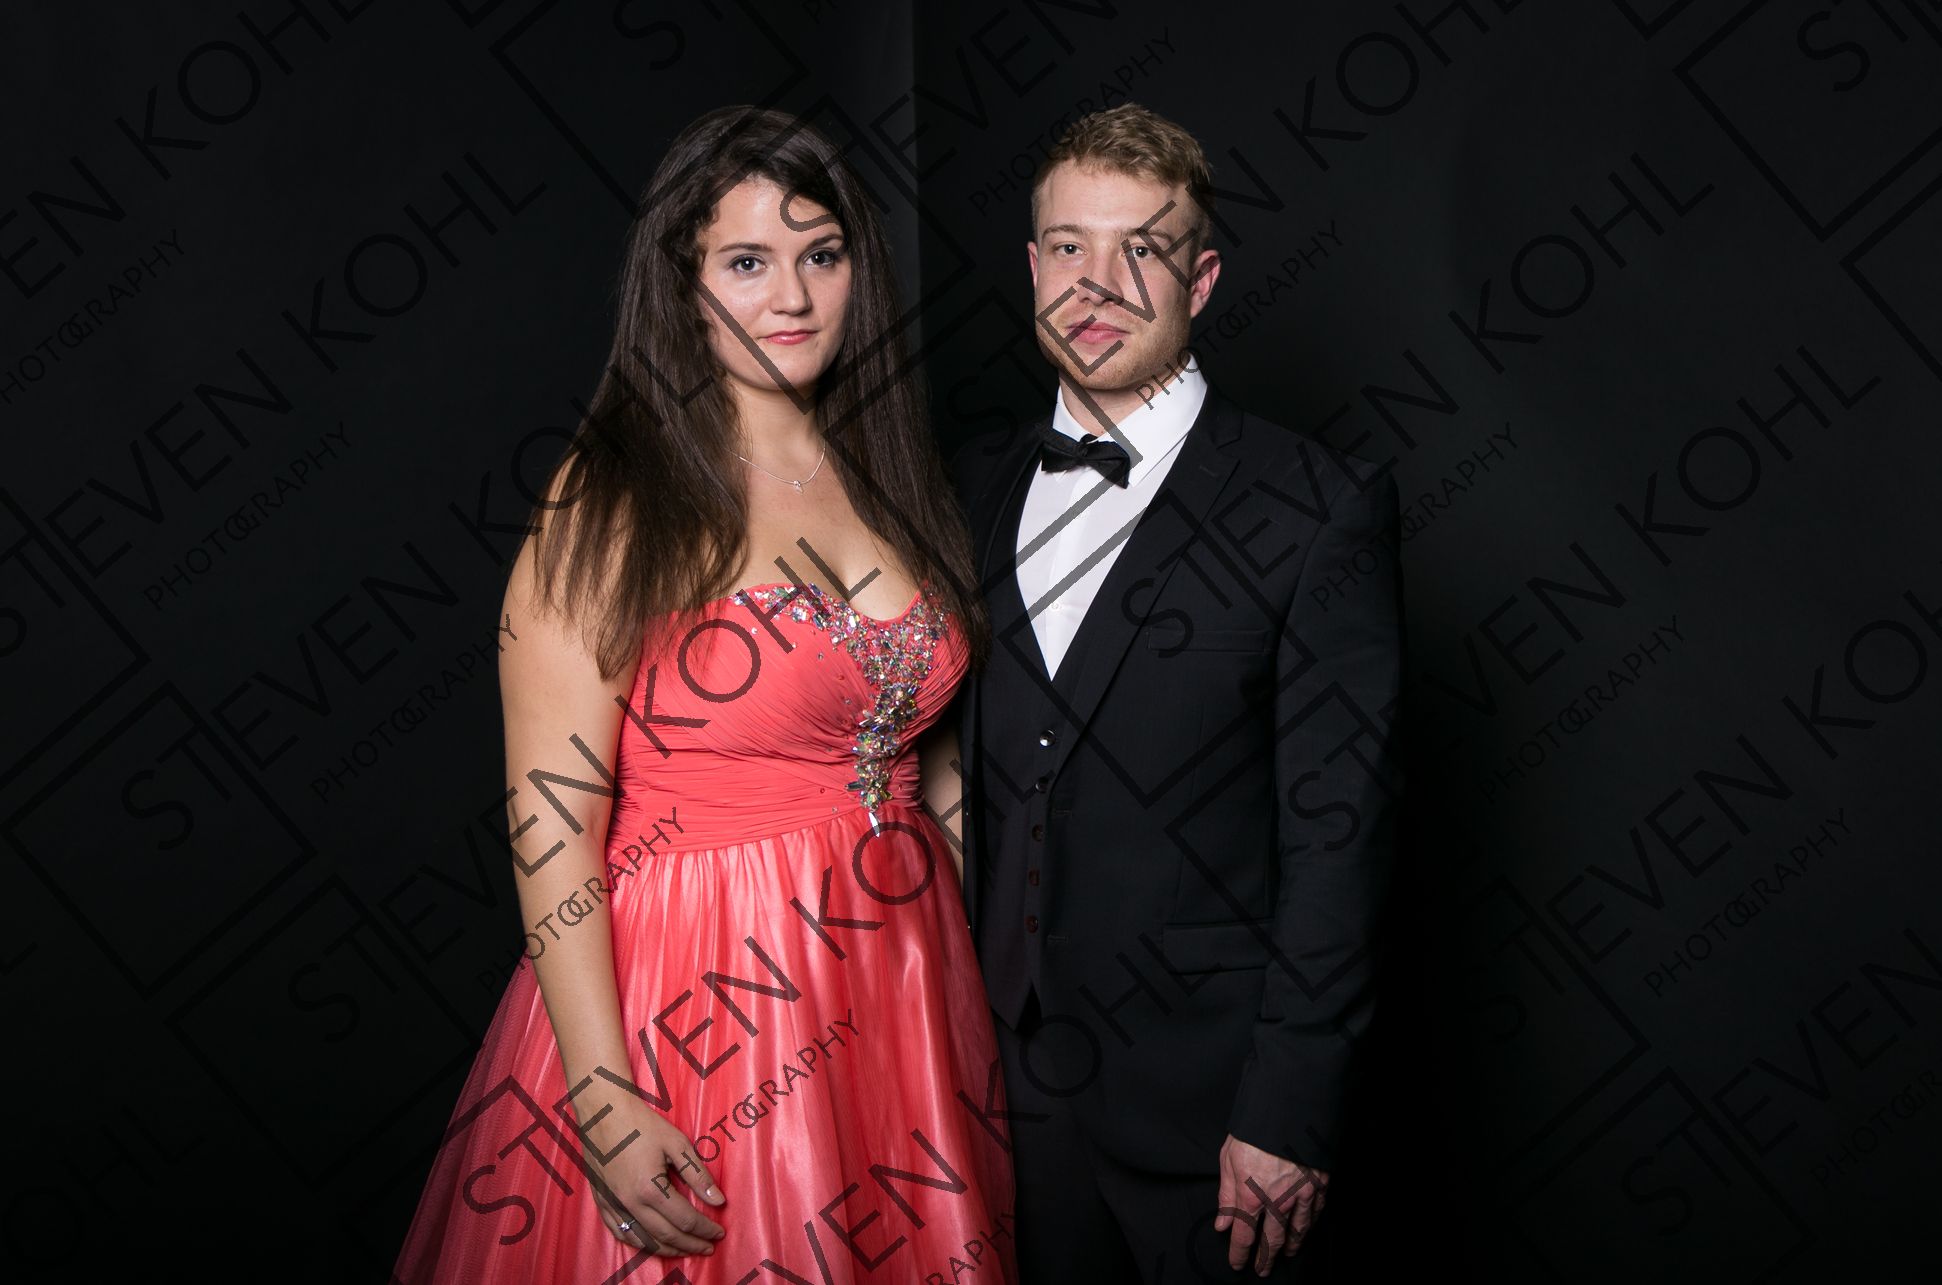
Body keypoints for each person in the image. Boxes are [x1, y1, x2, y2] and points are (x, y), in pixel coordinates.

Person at [394, 106, 1015, 1284]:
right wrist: (602, 1097)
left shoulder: (886, 473)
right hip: (708, 978)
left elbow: (926, 756)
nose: (793, 296)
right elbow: (551, 822)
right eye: (745, 263)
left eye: (820, 255)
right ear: (681, 286)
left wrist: (965, 965)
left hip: (900, 973)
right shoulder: (613, 496)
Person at [948, 103, 1405, 1282]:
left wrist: (1288, 1110)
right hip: (996, 1094)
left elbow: (1338, 836)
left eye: (1140, 249)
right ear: (1033, 265)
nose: (1096, 283)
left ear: (1199, 281)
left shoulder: (1317, 507)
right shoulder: (962, 488)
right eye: (1068, 246)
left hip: (1215, 1112)